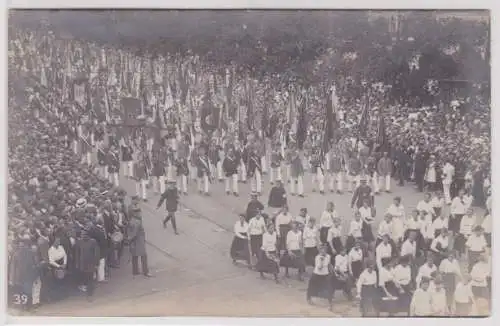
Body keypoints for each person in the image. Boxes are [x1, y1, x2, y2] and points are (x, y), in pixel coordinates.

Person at [306, 244, 333, 311]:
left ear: (326, 251)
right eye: (321, 251)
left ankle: (330, 302)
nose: (323, 252)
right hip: (317, 274)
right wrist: (321, 261)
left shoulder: (328, 256)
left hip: (325, 275)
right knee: (312, 287)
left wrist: (331, 270)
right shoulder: (317, 257)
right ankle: (309, 298)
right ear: (320, 251)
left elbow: (329, 264)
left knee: (328, 287)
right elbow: (319, 267)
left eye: (324, 251)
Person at [74, 230, 100, 299]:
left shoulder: (93, 242)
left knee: (90, 279)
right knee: (86, 279)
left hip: (91, 264)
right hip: (82, 264)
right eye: (82, 235)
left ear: (88, 235)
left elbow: (96, 253)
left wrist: (96, 263)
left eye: (85, 234)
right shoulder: (79, 242)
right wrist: (77, 263)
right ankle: (89, 291)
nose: (83, 236)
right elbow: (77, 253)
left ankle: (90, 294)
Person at [127, 208, 151, 277]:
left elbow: (129, 231)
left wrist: (129, 239)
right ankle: (145, 272)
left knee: (135, 256)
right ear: (135, 214)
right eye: (139, 213)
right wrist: (130, 238)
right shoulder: (137, 222)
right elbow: (134, 233)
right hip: (138, 241)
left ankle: (135, 271)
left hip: (135, 241)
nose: (140, 214)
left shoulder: (132, 220)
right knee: (143, 256)